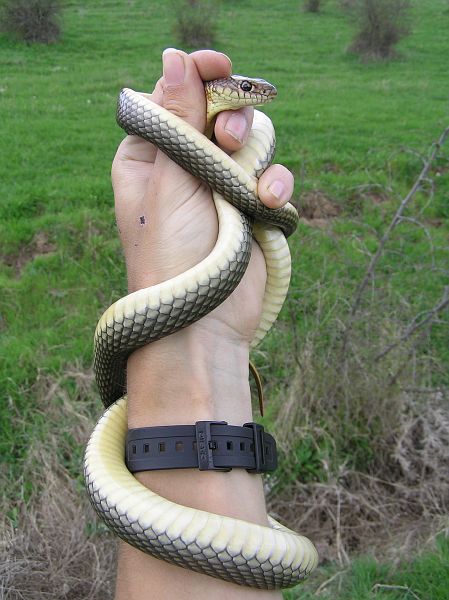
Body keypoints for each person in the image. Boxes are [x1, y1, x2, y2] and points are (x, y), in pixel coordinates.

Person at [112, 48, 294, 600]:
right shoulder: (160, 114)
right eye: (251, 90)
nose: (259, 98)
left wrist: (212, 337)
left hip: (219, 327)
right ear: (223, 94)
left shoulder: (242, 125)